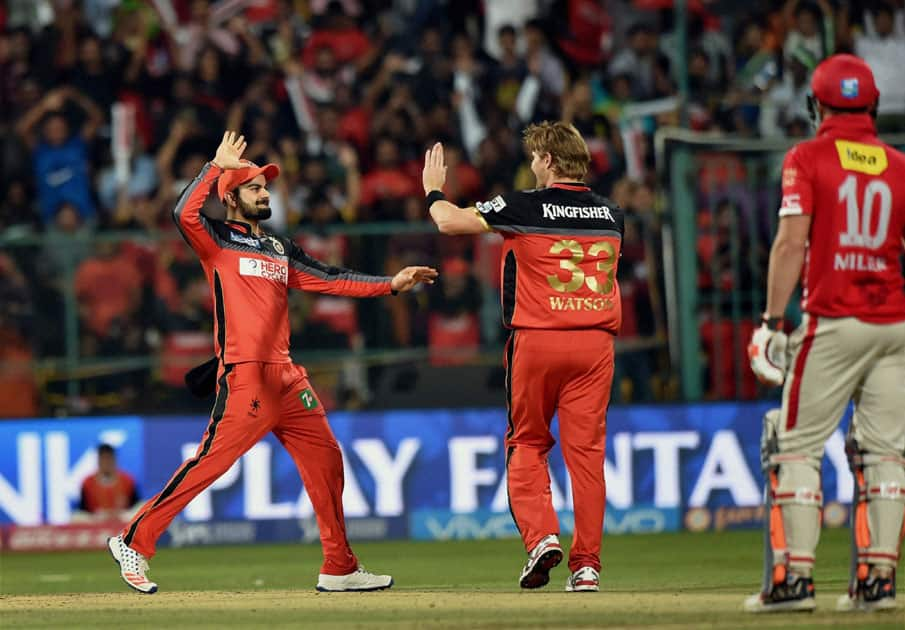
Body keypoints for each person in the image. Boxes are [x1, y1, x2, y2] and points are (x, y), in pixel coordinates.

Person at [107, 131, 437, 595]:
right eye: (255, 188)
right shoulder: (217, 241)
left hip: (287, 377)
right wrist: (215, 168)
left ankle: (339, 566)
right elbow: (182, 213)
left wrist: (392, 284)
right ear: (232, 198)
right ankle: (132, 540)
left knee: (327, 459)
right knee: (208, 464)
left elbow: (332, 278)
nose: (265, 194)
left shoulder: (281, 249)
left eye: (266, 187)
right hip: (246, 375)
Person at [422, 121, 624, 592]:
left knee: (527, 443)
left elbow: (450, 222)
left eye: (536, 157)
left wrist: (434, 192)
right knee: (587, 459)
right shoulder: (611, 214)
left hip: (538, 339)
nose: (532, 165)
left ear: (549, 161)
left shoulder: (523, 204)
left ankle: (542, 539)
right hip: (596, 344)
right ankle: (587, 567)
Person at [746, 54, 905, 613]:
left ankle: (794, 582)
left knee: (795, 446)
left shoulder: (808, 157)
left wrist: (770, 322)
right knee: (886, 453)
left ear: (816, 107)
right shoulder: (898, 164)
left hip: (834, 320)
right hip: (894, 324)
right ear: (874, 107)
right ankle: (878, 582)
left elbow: (791, 244)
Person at [76, 444, 140, 522]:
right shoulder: (87, 483)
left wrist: (122, 514)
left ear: (114, 460)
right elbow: (82, 511)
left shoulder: (127, 481)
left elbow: (136, 507)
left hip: (123, 525)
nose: (106, 462)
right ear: (98, 461)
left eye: (109, 459)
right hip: (96, 525)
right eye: (103, 459)